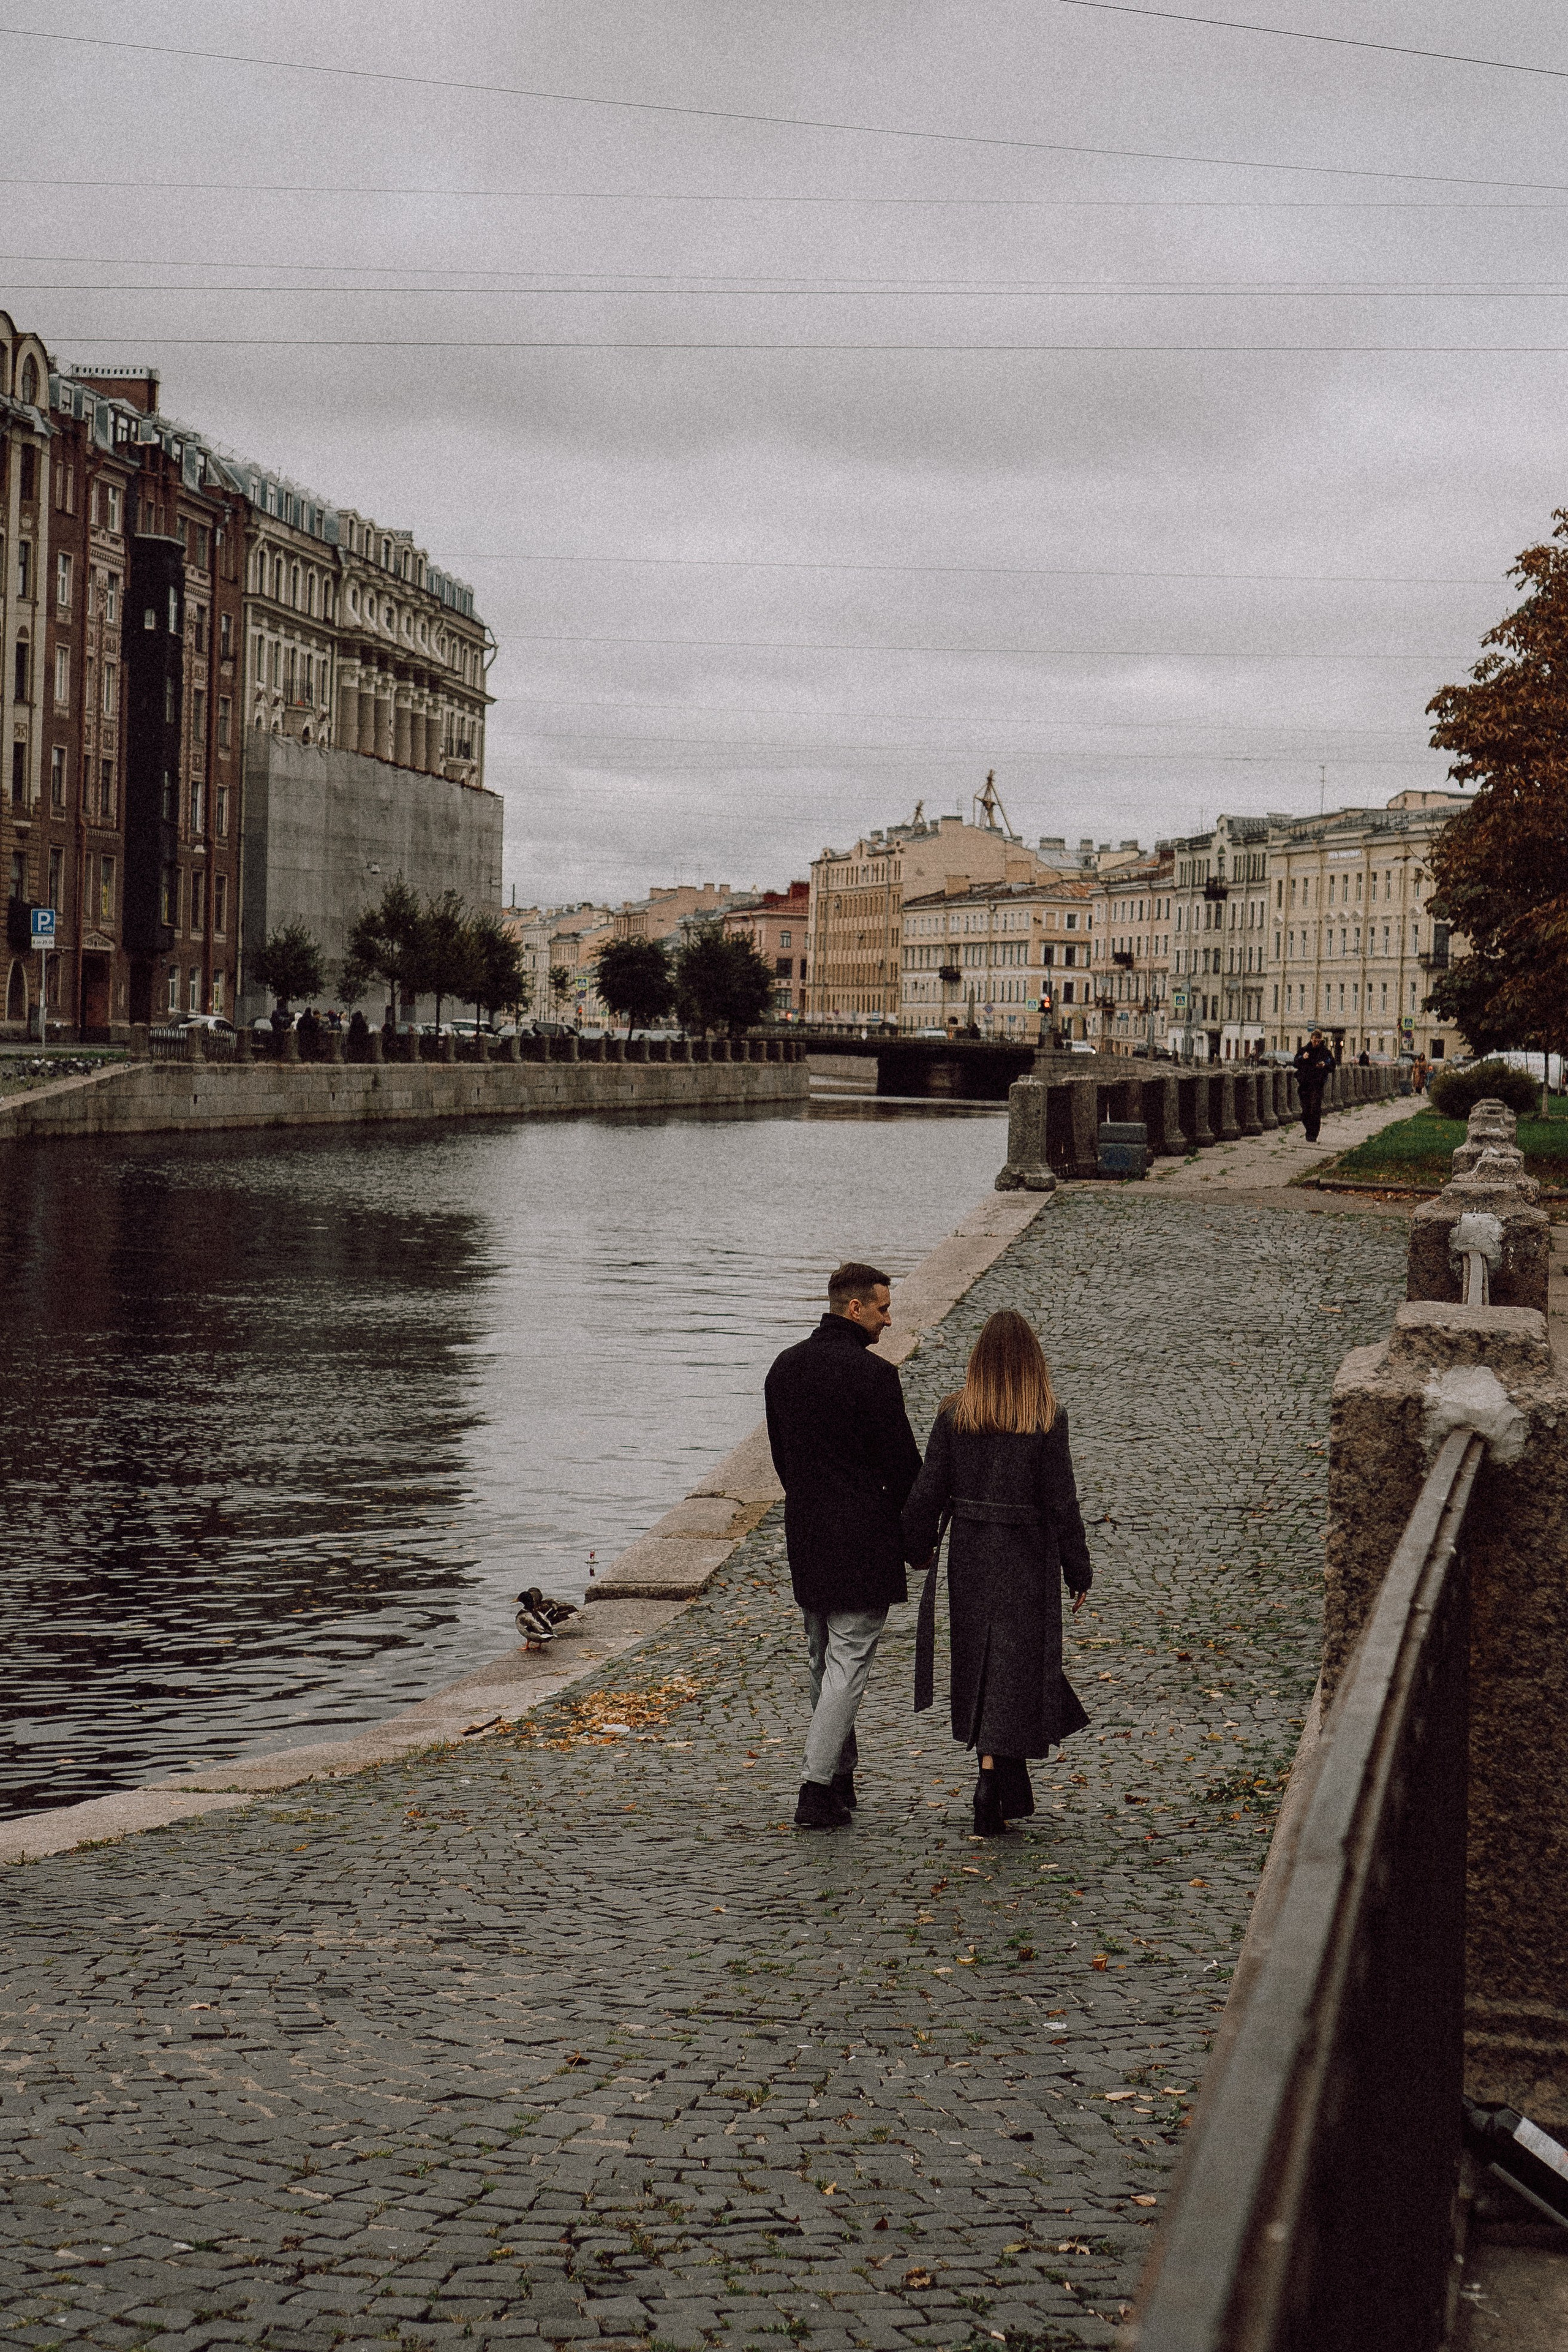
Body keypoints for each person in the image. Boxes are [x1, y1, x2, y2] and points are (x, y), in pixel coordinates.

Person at [902, 1310, 1091, 1837]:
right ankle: (994, 1782)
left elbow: (925, 1494)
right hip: (1027, 1554)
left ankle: (995, 1779)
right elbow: (1062, 1502)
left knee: (982, 1663)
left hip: (971, 1554)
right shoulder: (1047, 1418)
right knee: (1015, 1662)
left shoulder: (954, 1416)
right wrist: (1078, 1569)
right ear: (1034, 1363)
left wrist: (914, 1548)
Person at [764, 1261, 922, 1830]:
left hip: (807, 1533)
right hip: (863, 1538)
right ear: (854, 1308)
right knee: (847, 1663)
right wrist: (917, 1538)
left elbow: (783, 1460)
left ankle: (839, 1777)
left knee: (820, 1660)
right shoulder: (874, 1377)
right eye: (882, 1307)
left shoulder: (784, 1369)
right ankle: (814, 1786)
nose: (888, 1318)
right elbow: (903, 1467)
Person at [1294, 1030, 1336, 1145]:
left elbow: (1333, 1065)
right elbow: (1295, 1062)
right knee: (1305, 1110)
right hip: (1305, 1084)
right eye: (1314, 1041)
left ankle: (1313, 1134)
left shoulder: (1325, 1052)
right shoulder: (1304, 1050)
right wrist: (1303, 1058)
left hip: (1318, 1084)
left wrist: (1324, 1065)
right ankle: (1309, 1130)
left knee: (1315, 1109)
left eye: (1318, 1041)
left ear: (1321, 1040)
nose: (1316, 1043)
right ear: (1311, 1039)